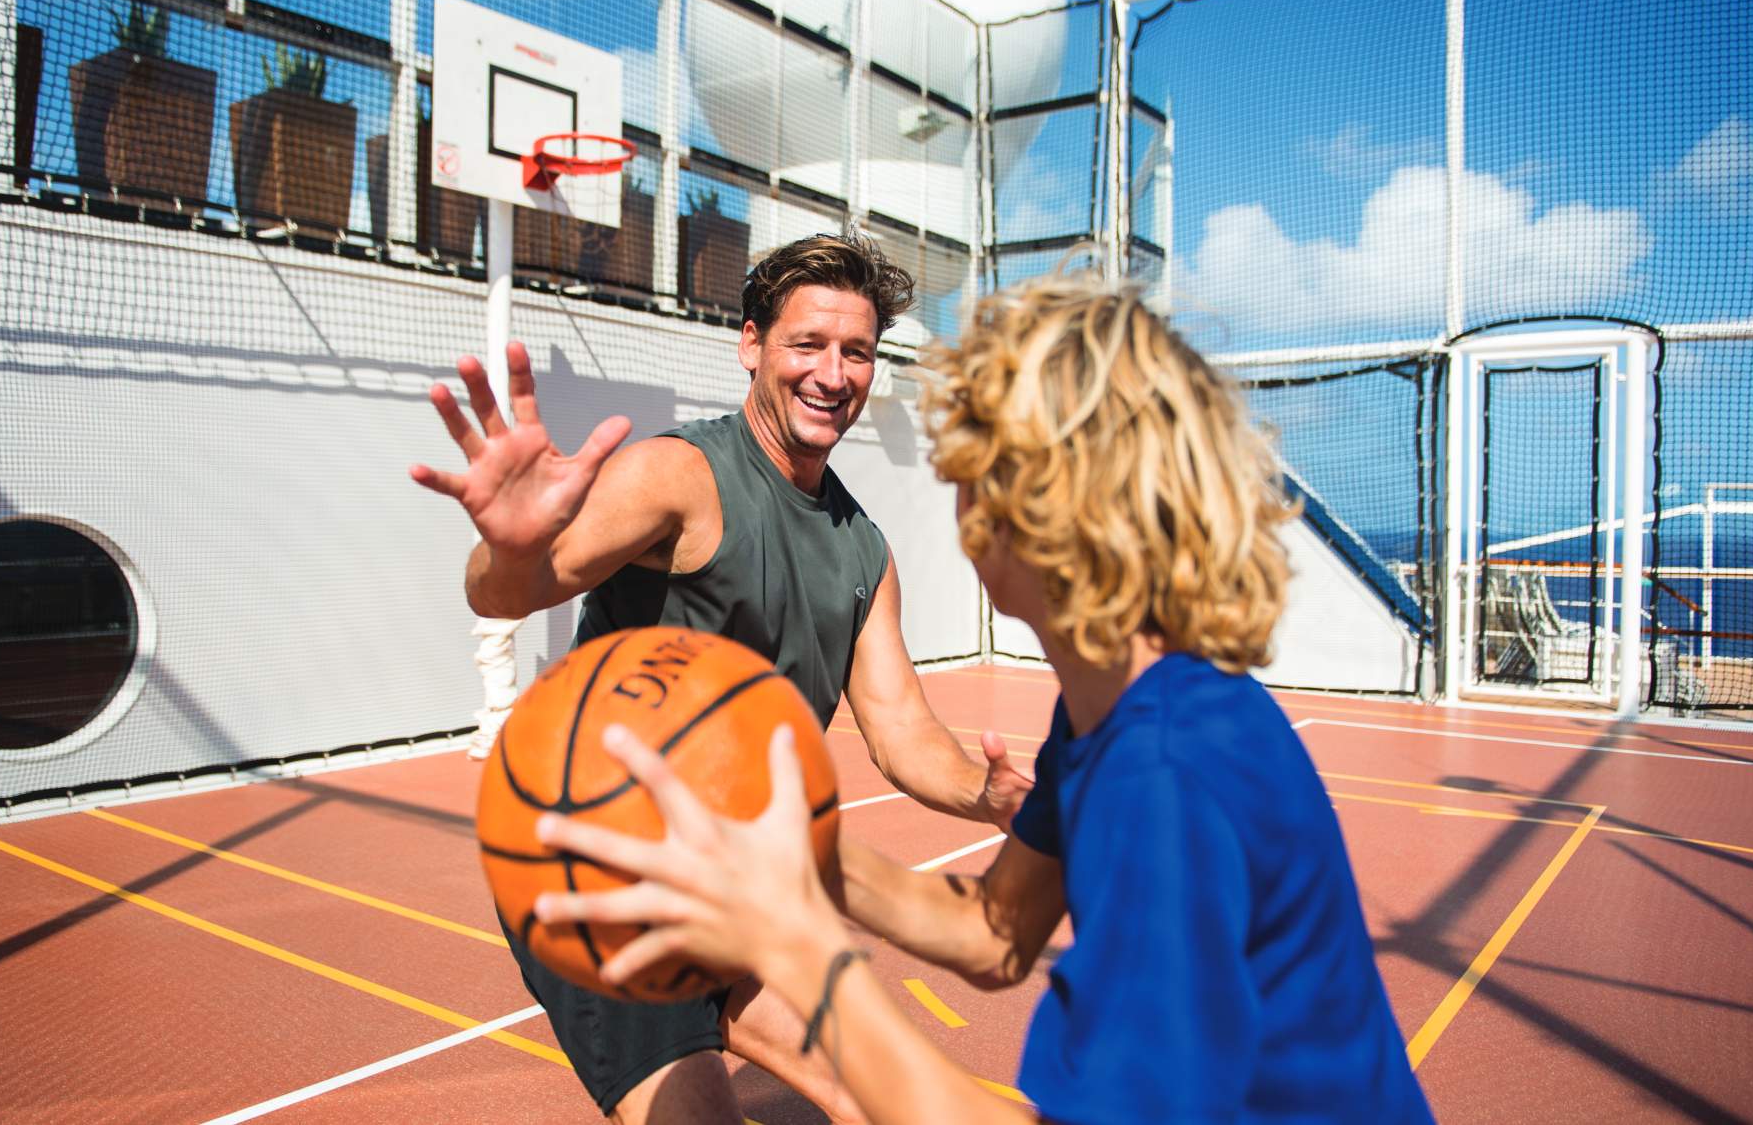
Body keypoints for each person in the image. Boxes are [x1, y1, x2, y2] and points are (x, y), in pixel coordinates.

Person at [530, 272, 1437, 1123]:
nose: (956, 487)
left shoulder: (1163, 777)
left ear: (1036, 501)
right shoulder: (1119, 714)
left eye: (972, 463)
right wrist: (798, 854)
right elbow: (996, 934)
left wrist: (803, 947)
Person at [409, 234, 1035, 1124]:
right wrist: (508, 546)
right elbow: (516, 586)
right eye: (806, 344)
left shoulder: (864, 549)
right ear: (752, 346)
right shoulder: (679, 477)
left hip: (732, 875)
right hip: (600, 866)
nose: (832, 372)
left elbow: (901, 734)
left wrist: (989, 792)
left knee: (886, 1096)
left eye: (855, 351)